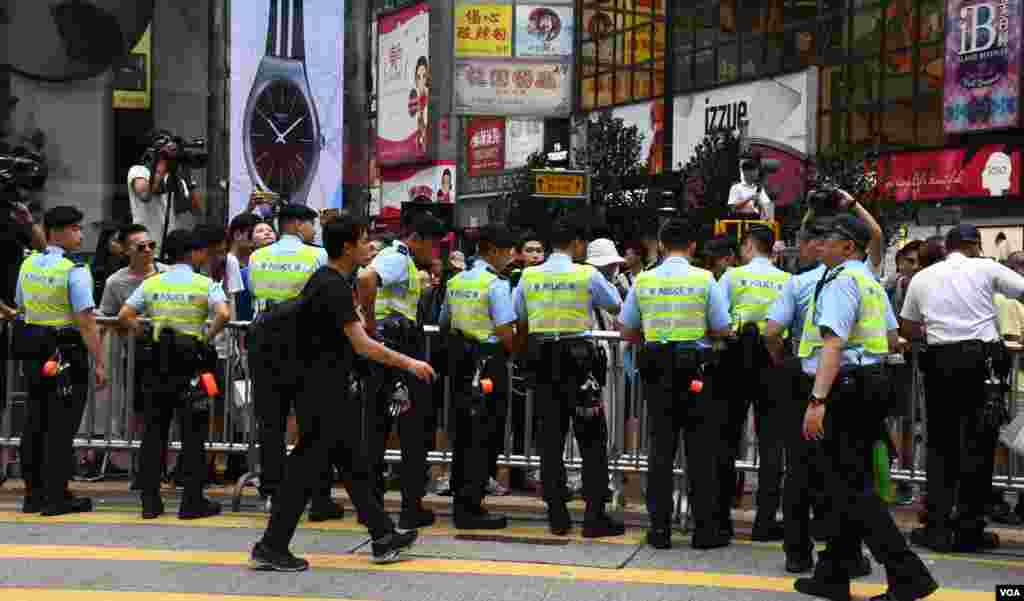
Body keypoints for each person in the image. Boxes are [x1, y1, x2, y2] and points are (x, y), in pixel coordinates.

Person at [251, 215, 430, 572]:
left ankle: (382, 536)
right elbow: (362, 344)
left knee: (351, 463)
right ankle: (272, 545)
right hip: (320, 389)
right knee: (306, 466)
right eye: (364, 241)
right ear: (347, 246)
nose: (370, 247)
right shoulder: (331, 284)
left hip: (327, 386)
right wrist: (410, 363)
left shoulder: (330, 280)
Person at [794, 214, 937, 601]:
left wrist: (817, 400)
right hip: (870, 385)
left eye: (829, 239)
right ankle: (834, 574)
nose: (819, 244)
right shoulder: (870, 282)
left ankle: (907, 574)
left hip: (844, 390)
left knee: (852, 490)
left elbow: (833, 345)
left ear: (849, 247)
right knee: (846, 486)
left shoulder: (842, 282)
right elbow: (892, 338)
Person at [900, 224, 1024, 553]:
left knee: (941, 446)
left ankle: (939, 528)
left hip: (939, 364)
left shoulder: (923, 277)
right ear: (972, 245)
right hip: (981, 367)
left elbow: (909, 327)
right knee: (979, 447)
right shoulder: (985, 266)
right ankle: (970, 529)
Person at [618, 218, 732, 550]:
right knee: (700, 452)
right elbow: (723, 327)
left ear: (663, 246)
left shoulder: (645, 280)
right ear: (693, 247)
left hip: (656, 370)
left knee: (660, 450)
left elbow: (626, 330)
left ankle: (659, 530)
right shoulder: (705, 278)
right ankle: (704, 531)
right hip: (696, 370)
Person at [513, 217, 624, 538]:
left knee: (550, 442)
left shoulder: (529, 276)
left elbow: (519, 315)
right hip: (579, 363)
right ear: (576, 244)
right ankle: (593, 518)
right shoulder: (586, 273)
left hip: (543, 359)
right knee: (592, 440)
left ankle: (557, 517)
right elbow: (615, 305)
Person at [764, 218, 859, 574]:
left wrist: (782, 359)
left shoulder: (799, 283)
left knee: (799, 468)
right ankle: (839, 550)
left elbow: (772, 331)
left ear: (811, 245)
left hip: (803, 379)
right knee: (839, 467)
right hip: (843, 380)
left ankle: (797, 551)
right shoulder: (853, 278)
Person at [116, 229, 227, 520]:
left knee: (154, 432)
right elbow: (224, 314)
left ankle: (150, 502)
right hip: (191, 364)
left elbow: (124, 315)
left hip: (157, 362)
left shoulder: (153, 283)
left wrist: (144, 333)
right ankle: (191, 502)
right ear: (193, 254)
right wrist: (206, 335)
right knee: (193, 433)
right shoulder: (206, 284)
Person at [248, 204, 342, 521]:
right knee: (312, 419)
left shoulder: (257, 256)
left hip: (264, 337)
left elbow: (253, 291)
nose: (314, 231)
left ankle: (273, 493)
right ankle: (318, 496)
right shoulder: (317, 256)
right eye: (312, 225)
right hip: (306, 339)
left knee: (270, 422)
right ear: (299, 224)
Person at [11, 206, 106, 515]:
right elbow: (86, 321)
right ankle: (56, 495)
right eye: (76, 228)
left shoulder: (27, 265)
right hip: (65, 350)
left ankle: (33, 494)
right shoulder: (74, 270)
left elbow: (21, 304)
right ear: (58, 232)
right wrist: (100, 362)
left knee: (35, 419)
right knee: (62, 424)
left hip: (33, 349)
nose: (80, 234)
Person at [357, 213, 448, 530]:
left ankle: (377, 506)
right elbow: (366, 280)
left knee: (379, 427)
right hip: (394, 343)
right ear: (419, 239)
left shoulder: (404, 261)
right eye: (435, 246)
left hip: (391, 343)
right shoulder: (396, 258)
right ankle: (408, 507)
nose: (436, 253)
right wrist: (368, 321)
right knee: (410, 427)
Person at [440, 224, 519, 529]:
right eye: (508, 251)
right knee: (486, 432)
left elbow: (444, 321)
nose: (510, 257)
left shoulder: (456, 281)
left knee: (464, 431)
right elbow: (504, 332)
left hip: (462, 362)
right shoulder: (495, 285)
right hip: (488, 364)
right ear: (493, 250)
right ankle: (471, 506)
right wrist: (514, 352)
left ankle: (463, 500)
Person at [717, 225, 792, 540]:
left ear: (748, 245)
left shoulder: (732, 277)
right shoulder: (788, 280)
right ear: (772, 248)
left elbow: (717, 317)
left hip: (735, 359)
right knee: (772, 444)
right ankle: (765, 521)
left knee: (726, 439)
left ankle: (720, 517)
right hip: (774, 361)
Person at [128, 136, 197, 251]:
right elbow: (145, 195)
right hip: (146, 247)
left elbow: (193, 209)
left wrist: (187, 179)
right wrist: (161, 166)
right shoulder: (139, 171)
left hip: (170, 249)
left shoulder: (174, 177)